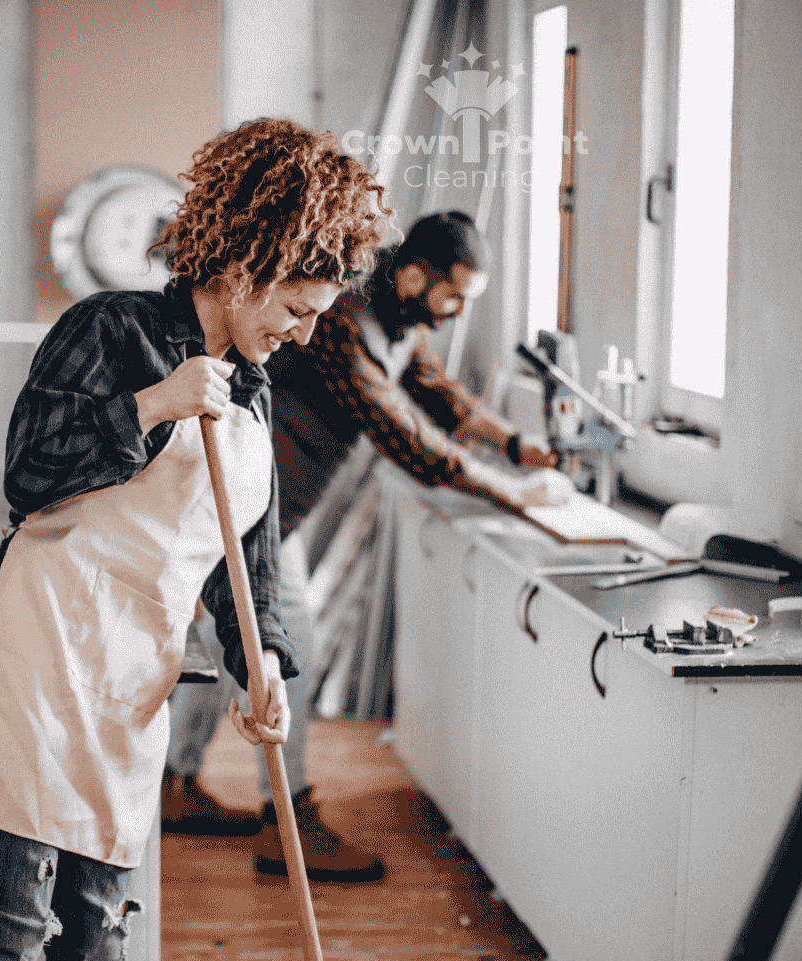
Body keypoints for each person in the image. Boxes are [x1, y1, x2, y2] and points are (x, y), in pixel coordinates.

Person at [0, 117, 389, 961]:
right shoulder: (108, 329)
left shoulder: (256, 393)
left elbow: (248, 569)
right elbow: (30, 475)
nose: (303, 335)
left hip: (127, 696)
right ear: (243, 270)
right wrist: (154, 403)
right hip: (32, 670)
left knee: (94, 960)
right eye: (295, 309)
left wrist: (260, 661)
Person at [162, 210, 573, 881]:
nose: (456, 309)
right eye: (454, 295)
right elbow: (398, 429)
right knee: (293, 651)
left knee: (226, 644)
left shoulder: (399, 320)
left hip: (271, 514)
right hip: (247, 509)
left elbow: (435, 393)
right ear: (414, 275)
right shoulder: (344, 321)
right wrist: (512, 493)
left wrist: (516, 446)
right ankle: (285, 828)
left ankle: (176, 787)